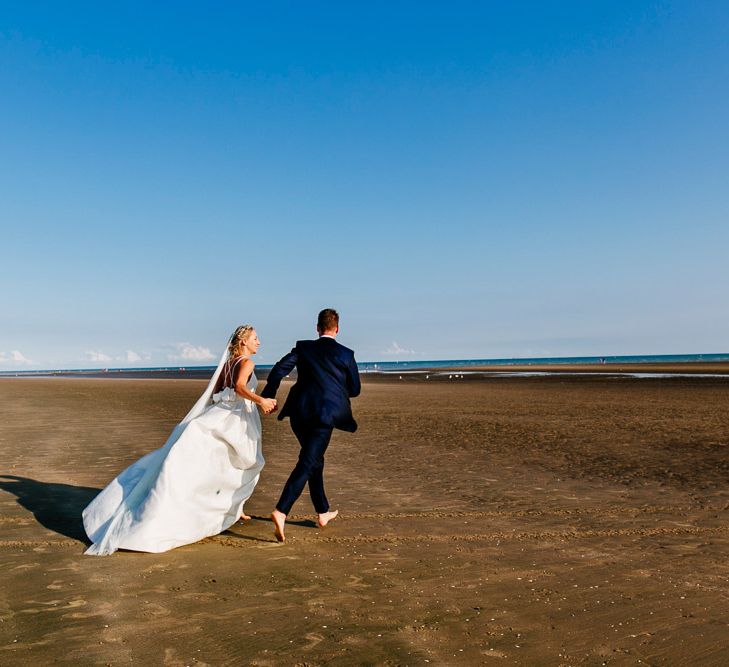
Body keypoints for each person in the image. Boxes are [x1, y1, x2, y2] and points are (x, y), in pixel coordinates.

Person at [82, 325, 277, 555]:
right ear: (243, 342)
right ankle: (223, 508)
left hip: (220, 414)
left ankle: (233, 507)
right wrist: (261, 400)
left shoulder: (227, 364)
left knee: (223, 465)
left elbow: (217, 392)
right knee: (243, 463)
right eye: (255, 338)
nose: (259, 342)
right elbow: (239, 387)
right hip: (235, 419)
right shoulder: (247, 363)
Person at [261, 308, 361, 542]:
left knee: (315, 458)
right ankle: (282, 510)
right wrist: (336, 389)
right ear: (337, 329)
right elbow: (355, 390)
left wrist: (269, 394)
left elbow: (279, 369)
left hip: (299, 412)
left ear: (317, 328)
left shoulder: (304, 348)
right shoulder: (346, 354)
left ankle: (323, 511)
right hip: (324, 416)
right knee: (308, 461)